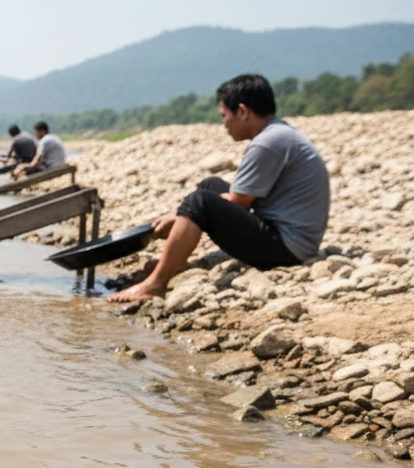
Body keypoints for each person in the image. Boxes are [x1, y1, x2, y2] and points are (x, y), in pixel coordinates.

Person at [108, 74, 330, 303]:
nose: (223, 124)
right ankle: (175, 259)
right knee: (210, 185)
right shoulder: (278, 133)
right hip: (295, 239)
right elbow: (242, 197)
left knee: (199, 202)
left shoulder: (267, 142)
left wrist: (180, 215)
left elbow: (240, 201)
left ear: (242, 112)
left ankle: (155, 283)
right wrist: (181, 215)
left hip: (288, 249)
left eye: (224, 116)